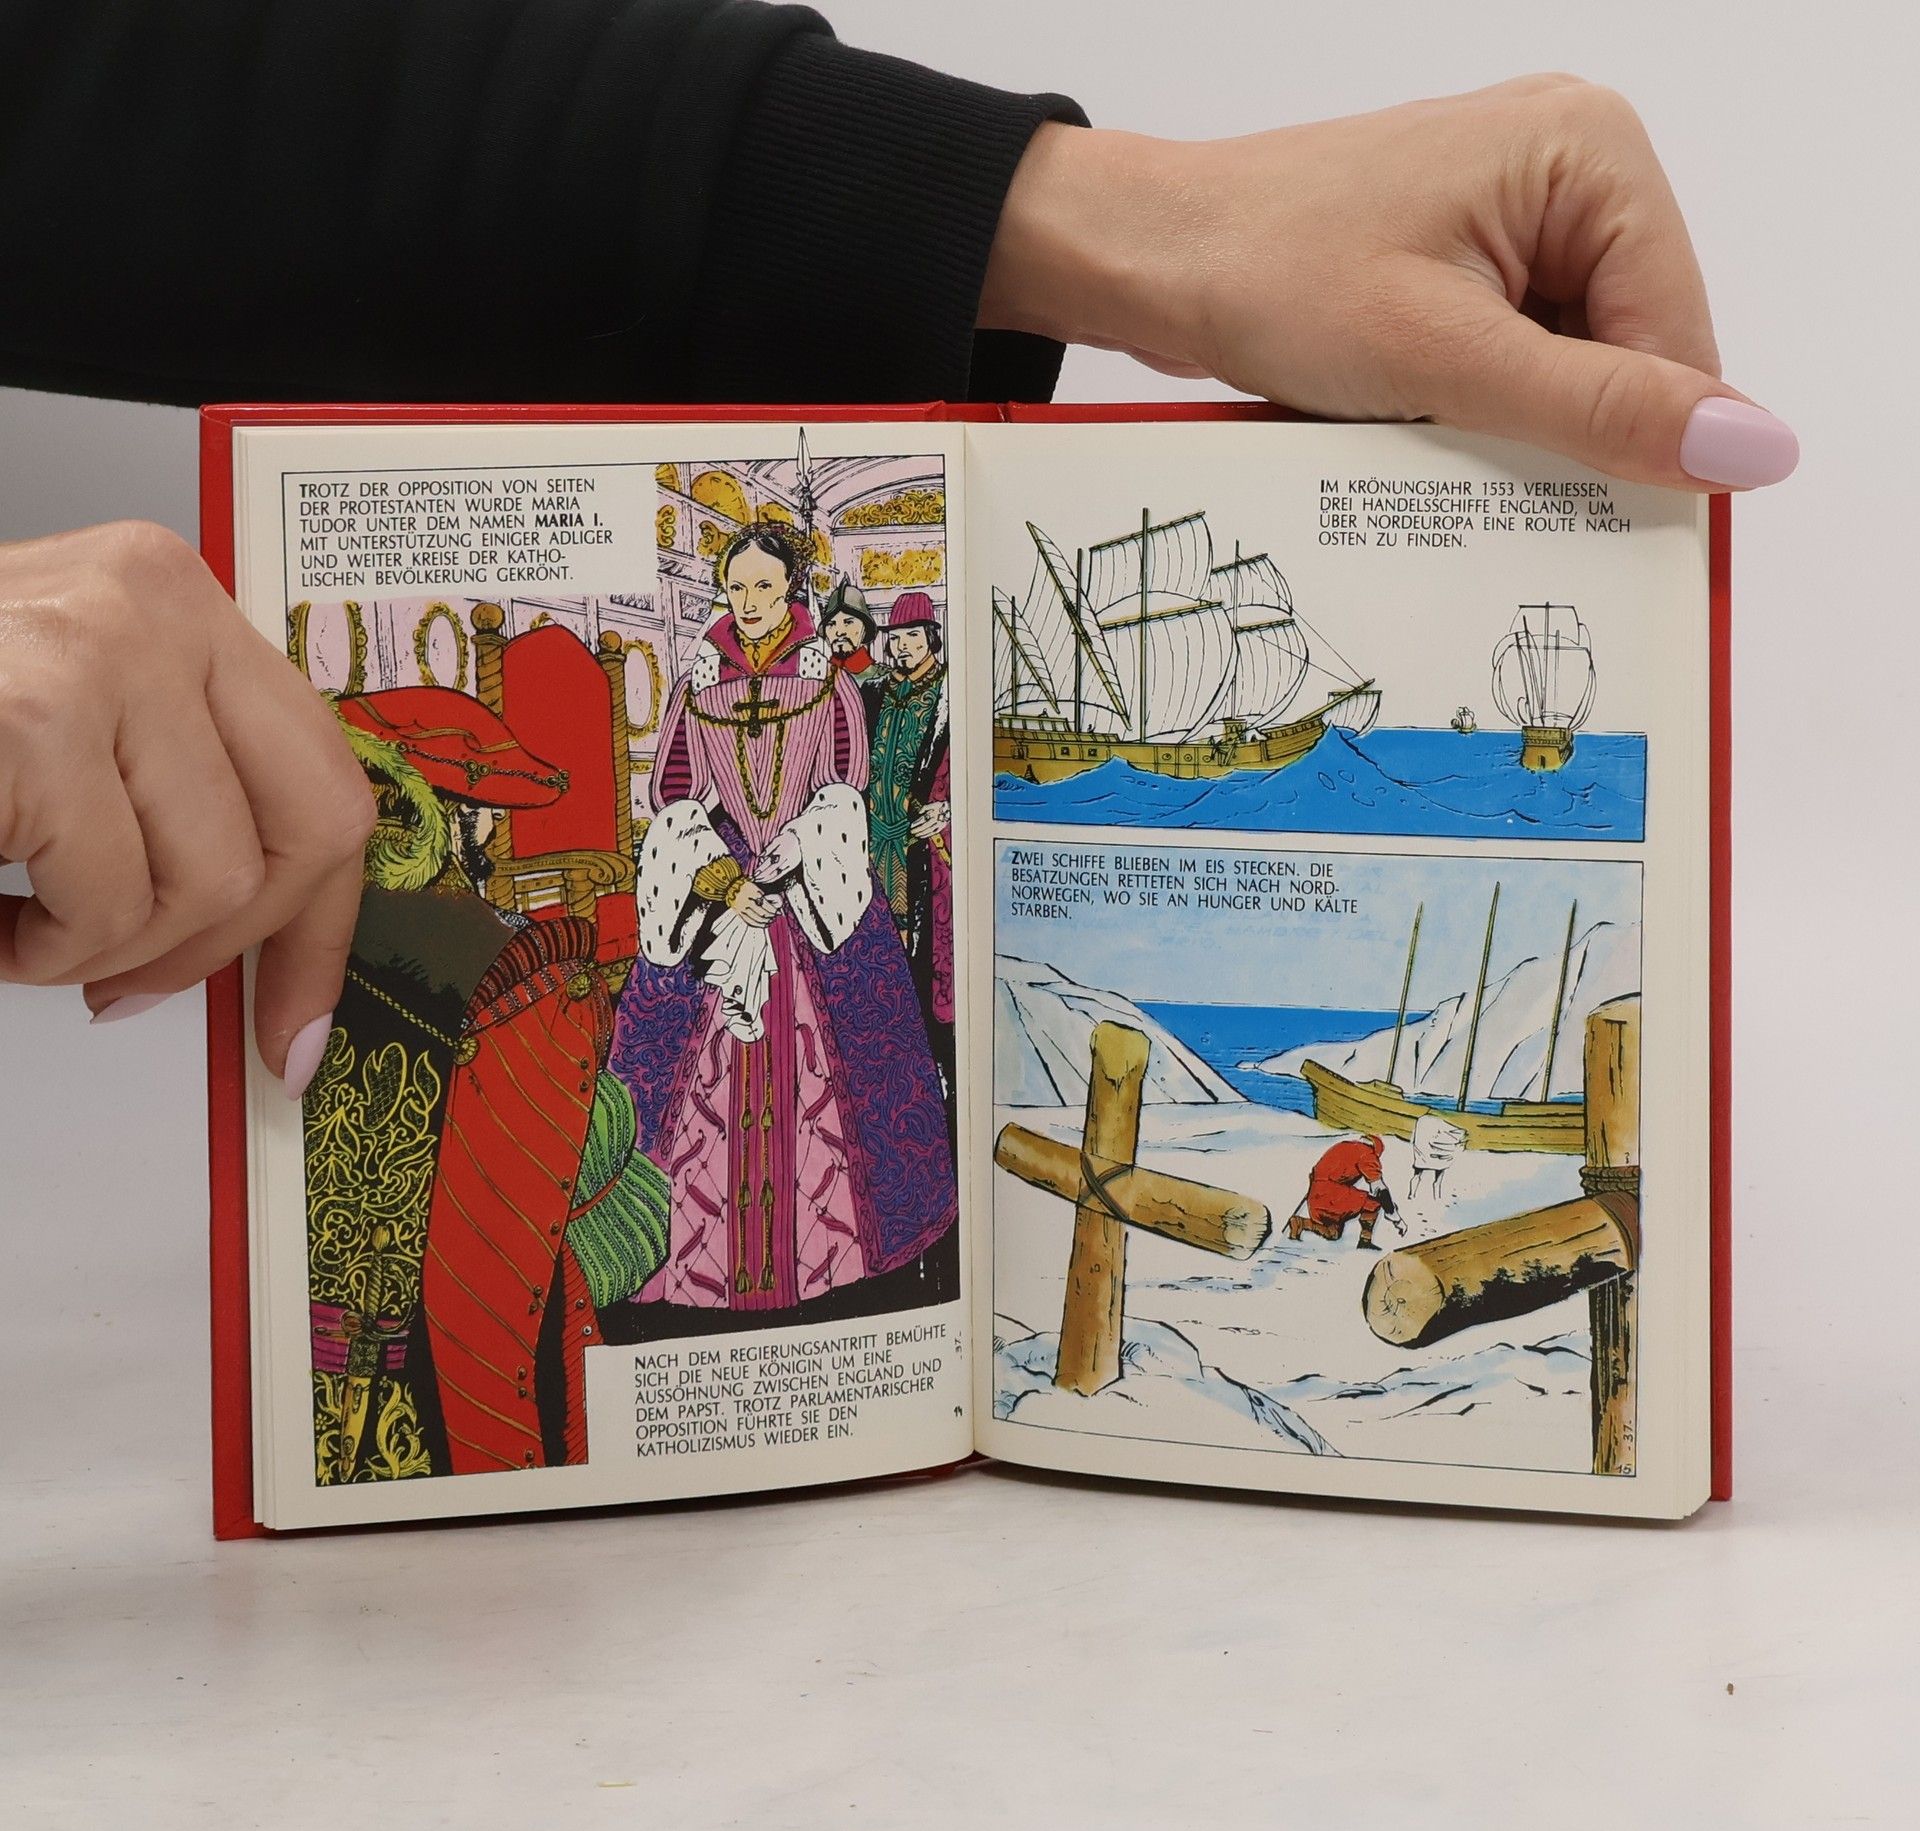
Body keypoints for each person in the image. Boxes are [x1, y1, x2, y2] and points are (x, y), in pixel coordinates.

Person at [0, 5, 1798, 1072]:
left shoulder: (819, 682)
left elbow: (90, 86)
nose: (753, 597)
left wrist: (1101, 220)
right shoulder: (714, 691)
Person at [307, 687, 669, 1482]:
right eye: (482, 811)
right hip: (478, 1282)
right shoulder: (513, 963)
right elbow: (583, 1126)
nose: (494, 828)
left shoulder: (308, 922)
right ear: (456, 818)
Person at [611, 521, 955, 1312]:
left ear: (791, 589)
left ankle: (835, 1263)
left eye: (763, 586)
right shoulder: (699, 680)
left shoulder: (826, 678)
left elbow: (843, 788)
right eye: (737, 587)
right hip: (721, 879)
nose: (749, 601)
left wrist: (795, 852)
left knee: (861, 1065)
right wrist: (722, 879)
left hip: (810, 884)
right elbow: (673, 796)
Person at [863, 590, 953, 1086]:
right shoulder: (876, 692)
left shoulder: (950, 696)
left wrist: (948, 810)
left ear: (931, 638)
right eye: (895, 638)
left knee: (918, 953)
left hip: (919, 845)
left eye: (912, 636)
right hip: (874, 837)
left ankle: (920, 1064)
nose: (902, 647)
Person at [1288, 1134, 1406, 1253]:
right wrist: (1395, 1217)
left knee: (1333, 1233)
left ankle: (1301, 1223)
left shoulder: (1344, 1146)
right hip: (1332, 1196)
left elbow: (1316, 1172)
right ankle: (1365, 1241)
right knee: (1372, 1204)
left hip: (1316, 1196)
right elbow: (1379, 1189)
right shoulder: (1367, 1154)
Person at [819, 576, 880, 678]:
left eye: (848, 622)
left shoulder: (884, 678)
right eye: (831, 624)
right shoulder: (817, 677)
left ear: (865, 629)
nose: (839, 632)